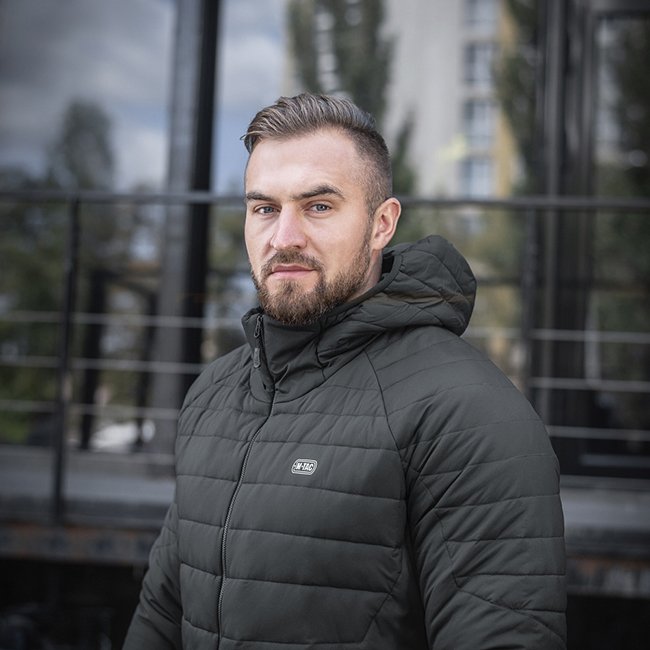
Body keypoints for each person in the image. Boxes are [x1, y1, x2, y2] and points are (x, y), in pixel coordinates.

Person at [124, 93, 566, 649]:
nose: (284, 237)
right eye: (264, 208)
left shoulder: (466, 411)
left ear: (382, 223)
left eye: (318, 206)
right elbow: (161, 612)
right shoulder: (215, 392)